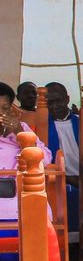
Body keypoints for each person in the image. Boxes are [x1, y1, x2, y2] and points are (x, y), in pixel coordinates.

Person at [0, 82, 52, 224]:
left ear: (10, 109)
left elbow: (44, 159)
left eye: (4, 108)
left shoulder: (22, 128)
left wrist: (19, 133)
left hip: (21, 195)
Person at [44, 82, 81, 241]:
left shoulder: (81, 122)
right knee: (68, 193)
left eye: (58, 101)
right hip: (55, 177)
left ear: (67, 99)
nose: (54, 106)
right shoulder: (43, 125)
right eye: (49, 103)